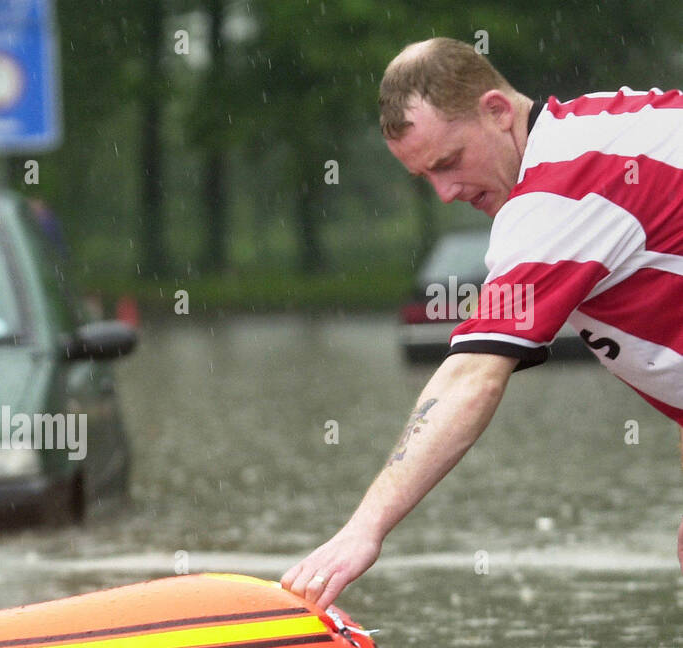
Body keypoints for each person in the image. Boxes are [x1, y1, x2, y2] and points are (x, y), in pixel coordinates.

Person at [283, 37, 683, 610]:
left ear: (497, 110)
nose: (445, 192)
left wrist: (362, 531)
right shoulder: (602, 125)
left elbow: (471, 375)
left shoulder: (559, 194)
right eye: (425, 177)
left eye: (448, 162)